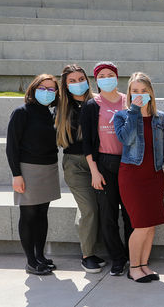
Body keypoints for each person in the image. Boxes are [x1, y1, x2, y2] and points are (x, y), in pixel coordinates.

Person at [113, 72, 164, 283]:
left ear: (151, 92)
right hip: (132, 177)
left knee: (150, 225)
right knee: (140, 224)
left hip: (155, 177)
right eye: (135, 91)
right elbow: (126, 138)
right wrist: (134, 111)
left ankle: (144, 264)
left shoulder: (161, 118)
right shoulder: (122, 116)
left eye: (143, 90)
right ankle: (134, 267)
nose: (139, 94)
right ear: (129, 93)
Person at [81, 62, 133, 277]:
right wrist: (94, 171)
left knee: (131, 213)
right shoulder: (92, 105)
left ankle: (133, 255)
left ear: (117, 77)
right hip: (104, 164)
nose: (106, 77)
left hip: (129, 163)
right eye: (101, 75)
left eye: (110, 74)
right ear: (96, 80)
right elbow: (87, 143)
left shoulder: (127, 101)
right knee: (108, 214)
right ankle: (118, 258)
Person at [6, 74, 60, 275]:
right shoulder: (21, 112)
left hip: (49, 168)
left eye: (51, 89)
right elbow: (11, 145)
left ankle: (40, 256)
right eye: (43, 88)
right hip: (28, 169)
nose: (47, 92)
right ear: (34, 88)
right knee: (28, 215)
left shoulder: (50, 113)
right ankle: (30, 261)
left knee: (42, 214)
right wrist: (16, 174)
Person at [55, 64, 105, 273]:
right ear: (65, 86)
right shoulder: (59, 107)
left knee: (97, 208)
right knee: (89, 209)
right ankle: (87, 255)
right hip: (75, 164)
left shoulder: (97, 102)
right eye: (72, 81)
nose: (77, 84)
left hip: (99, 162)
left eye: (80, 79)